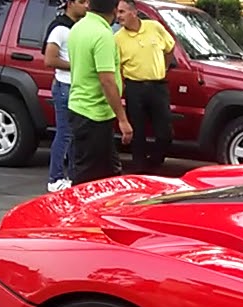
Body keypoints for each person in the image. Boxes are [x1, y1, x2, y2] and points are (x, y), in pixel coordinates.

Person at [66, 0, 132, 185]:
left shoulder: (78, 28)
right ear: (112, 10)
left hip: (81, 107)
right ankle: (81, 211)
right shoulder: (102, 35)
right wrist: (123, 119)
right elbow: (107, 80)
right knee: (89, 176)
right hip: (94, 113)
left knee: (108, 171)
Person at [115, 0, 175, 172]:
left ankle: (154, 162)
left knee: (165, 133)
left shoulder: (154, 27)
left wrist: (163, 68)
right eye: (117, 12)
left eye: (122, 12)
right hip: (135, 88)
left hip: (158, 86)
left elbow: (169, 48)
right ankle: (139, 170)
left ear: (133, 12)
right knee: (137, 134)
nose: (118, 16)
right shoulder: (117, 39)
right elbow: (117, 68)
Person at [42, 0, 89, 192]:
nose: (86, 5)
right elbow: (49, 59)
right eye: (81, 1)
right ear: (70, 3)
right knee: (65, 133)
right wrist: (79, 65)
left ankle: (72, 175)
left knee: (75, 134)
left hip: (76, 86)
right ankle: (55, 178)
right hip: (64, 86)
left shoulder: (78, 27)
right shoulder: (60, 28)